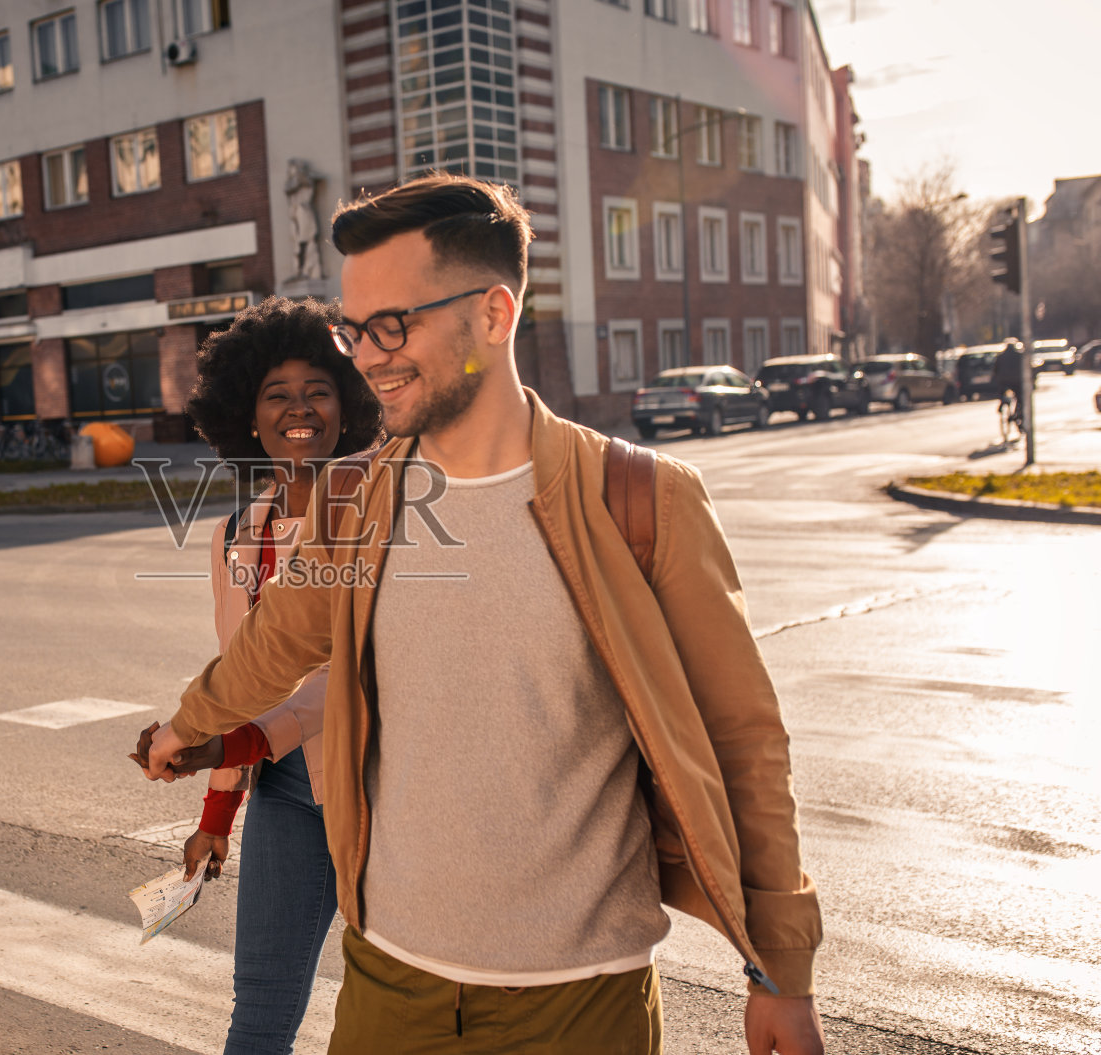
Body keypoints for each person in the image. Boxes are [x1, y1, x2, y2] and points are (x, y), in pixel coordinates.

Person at [137, 174, 825, 1055]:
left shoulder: (640, 499)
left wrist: (780, 969)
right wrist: (187, 726)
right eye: (356, 330)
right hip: (390, 984)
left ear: (494, 315)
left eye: (395, 325)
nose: (369, 356)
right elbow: (273, 648)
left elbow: (744, 742)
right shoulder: (353, 501)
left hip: (580, 1002)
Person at [141, 297, 382, 1054]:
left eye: (319, 389)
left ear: (352, 406)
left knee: (393, 1018)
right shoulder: (236, 535)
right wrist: (215, 819)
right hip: (284, 795)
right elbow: (246, 672)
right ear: (249, 416)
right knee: (259, 1015)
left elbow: (342, 670)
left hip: (383, 789)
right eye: (277, 394)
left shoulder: (380, 515)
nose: (299, 408)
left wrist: (231, 741)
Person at [991, 340, 1025, 432]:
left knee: (1002, 392)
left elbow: (995, 370)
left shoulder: (1000, 356)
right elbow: (1025, 369)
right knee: (1020, 398)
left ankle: (1002, 402)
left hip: (1004, 381)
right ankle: (1019, 413)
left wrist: (994, 380)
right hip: (1017, 381)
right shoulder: (1019, 356)